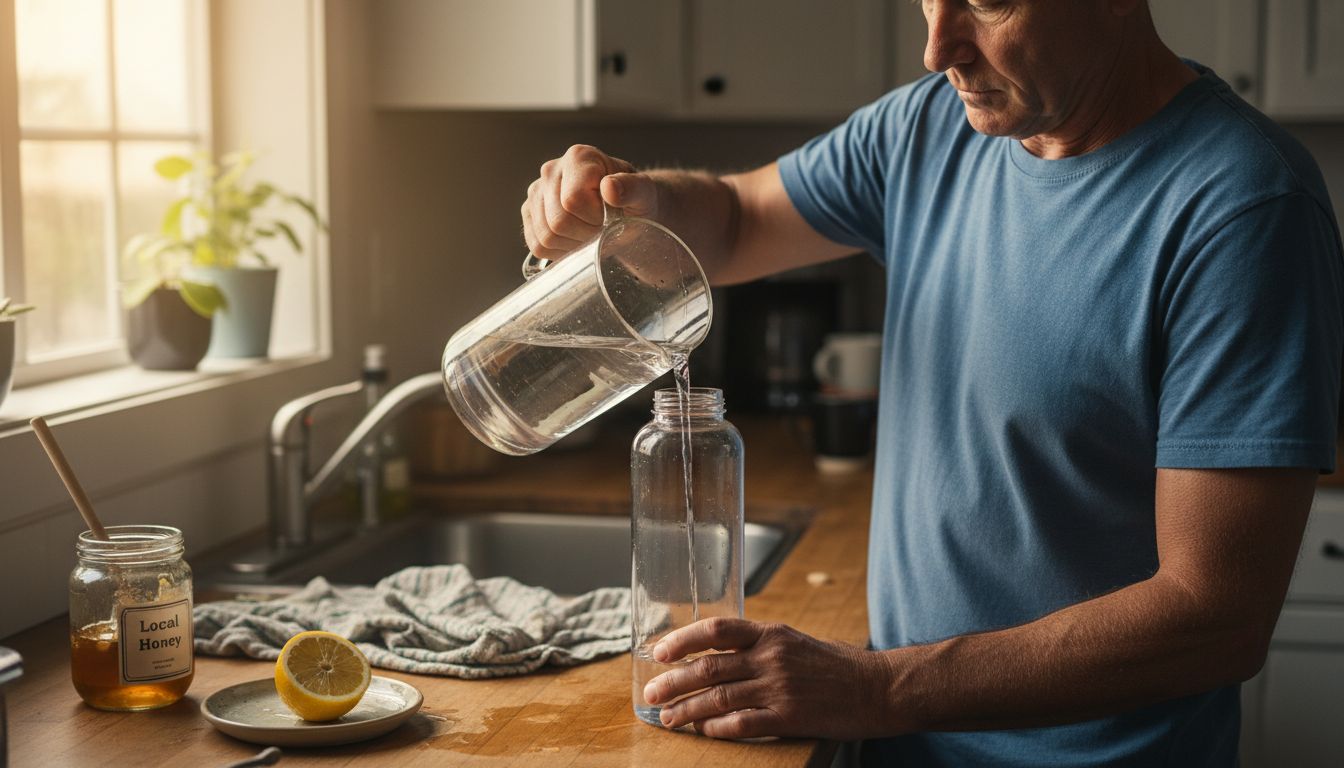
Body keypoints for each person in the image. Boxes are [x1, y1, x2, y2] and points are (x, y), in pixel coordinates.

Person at [521, 1, 1343, 764]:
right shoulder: (928, 128)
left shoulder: (1244, 207)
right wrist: (634, 202)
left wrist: (875, 687)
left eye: (986, 4)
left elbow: (1215, 615)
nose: (938, 48)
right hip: (908, 745)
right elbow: (738, 220)